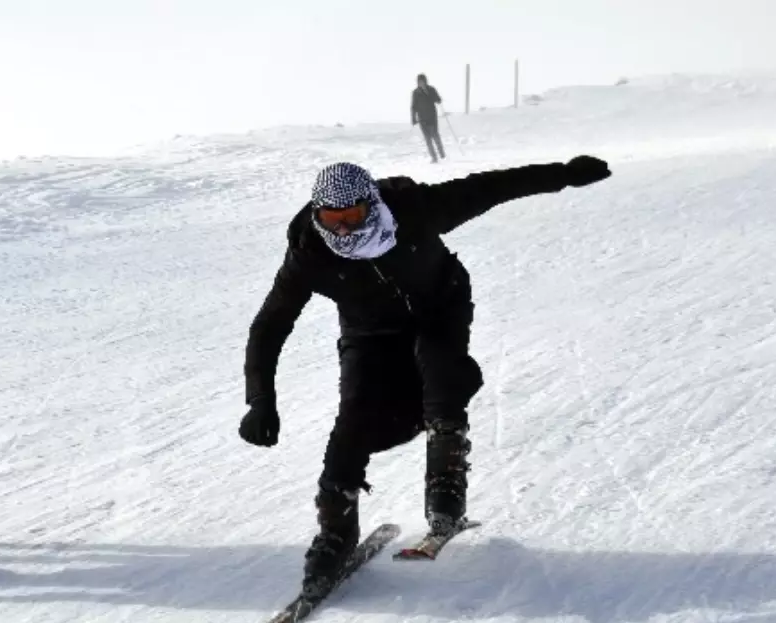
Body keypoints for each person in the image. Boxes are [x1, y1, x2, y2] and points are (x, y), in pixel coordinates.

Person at [238, 156, 612, 598]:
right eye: (330, 218)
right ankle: (335, 534)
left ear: (371, 204)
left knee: (440, 373)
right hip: (370, 330)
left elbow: (490, 185)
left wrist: (564, 174)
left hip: (440, 307)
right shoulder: (309, 253)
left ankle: (445, 479)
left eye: (352, 216)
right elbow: (270, 325)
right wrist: (260, 399)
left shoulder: (413, 208)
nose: (341, 230)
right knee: (353, 419)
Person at [411, 74, 446, 163]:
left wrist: (436, 98)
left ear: (426, 81)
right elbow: (413, 106)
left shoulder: (431, 89)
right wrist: (413, 118)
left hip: (432, 117)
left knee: (435, 136)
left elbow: (438, 100)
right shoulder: (415, 93)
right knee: (428, 139)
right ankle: (434, 157)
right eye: (419, 82)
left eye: (423, 81)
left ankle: (442, 154)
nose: (421, 83)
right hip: (422, 119)